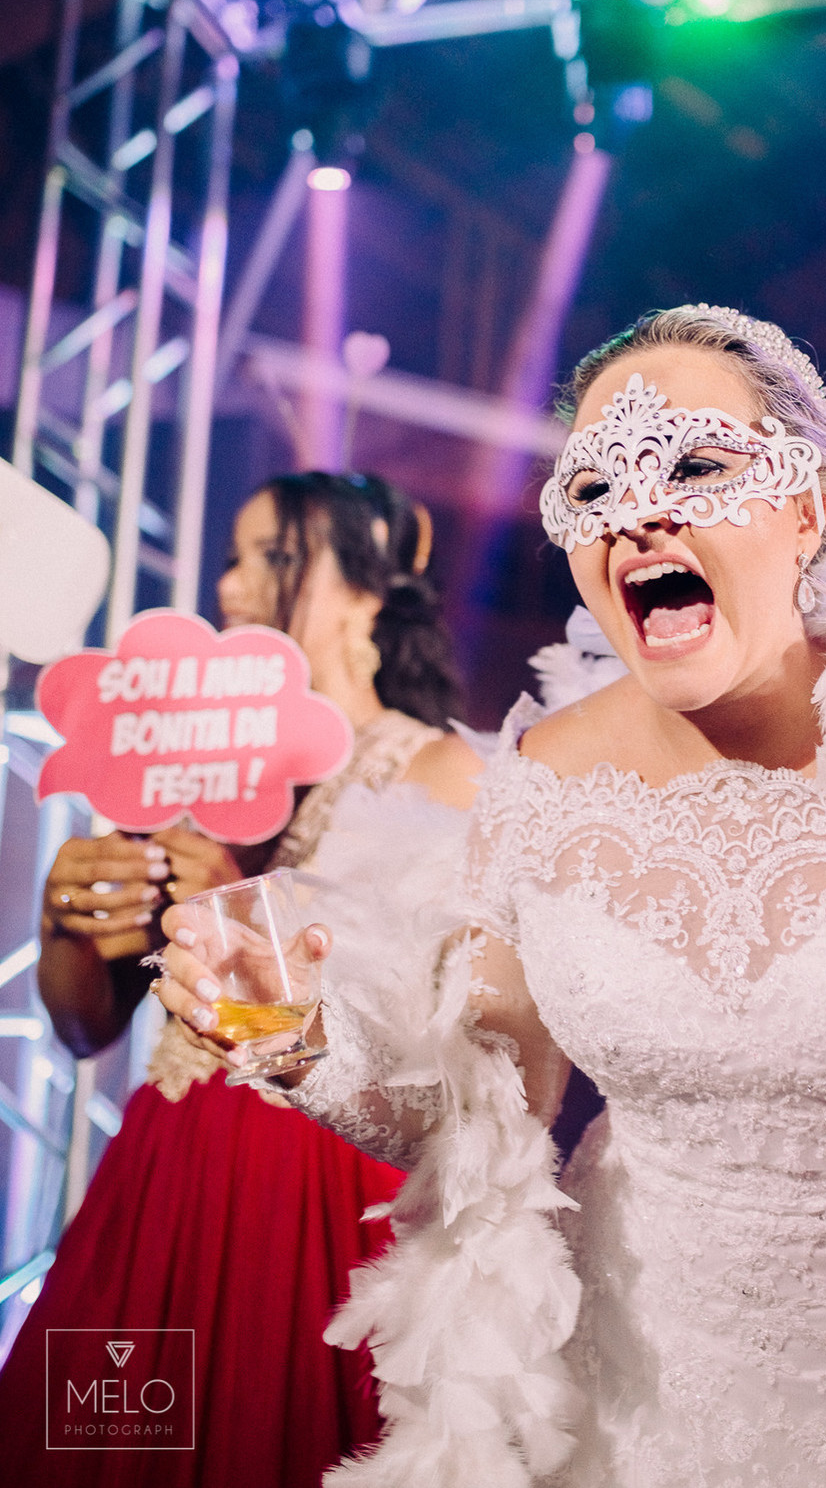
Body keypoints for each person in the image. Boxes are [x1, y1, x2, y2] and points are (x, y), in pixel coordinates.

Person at [161, 308, 826, 1488]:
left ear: (807, 509)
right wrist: (302, 1033)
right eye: (598, 483)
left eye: (698, 465)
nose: (644, 510)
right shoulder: (544, 781)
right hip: (636, 1414)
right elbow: (487, 1111)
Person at [0, 471, 479, 1488]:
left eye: (272, 556)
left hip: (312, 1200)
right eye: (232, 555)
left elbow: (444, 1057)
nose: (232, 585)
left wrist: (244, 905)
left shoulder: (442, 773)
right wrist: (69, 918)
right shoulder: (193, 779)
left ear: (374, 582)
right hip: (161, 1174)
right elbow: (85, 1028)